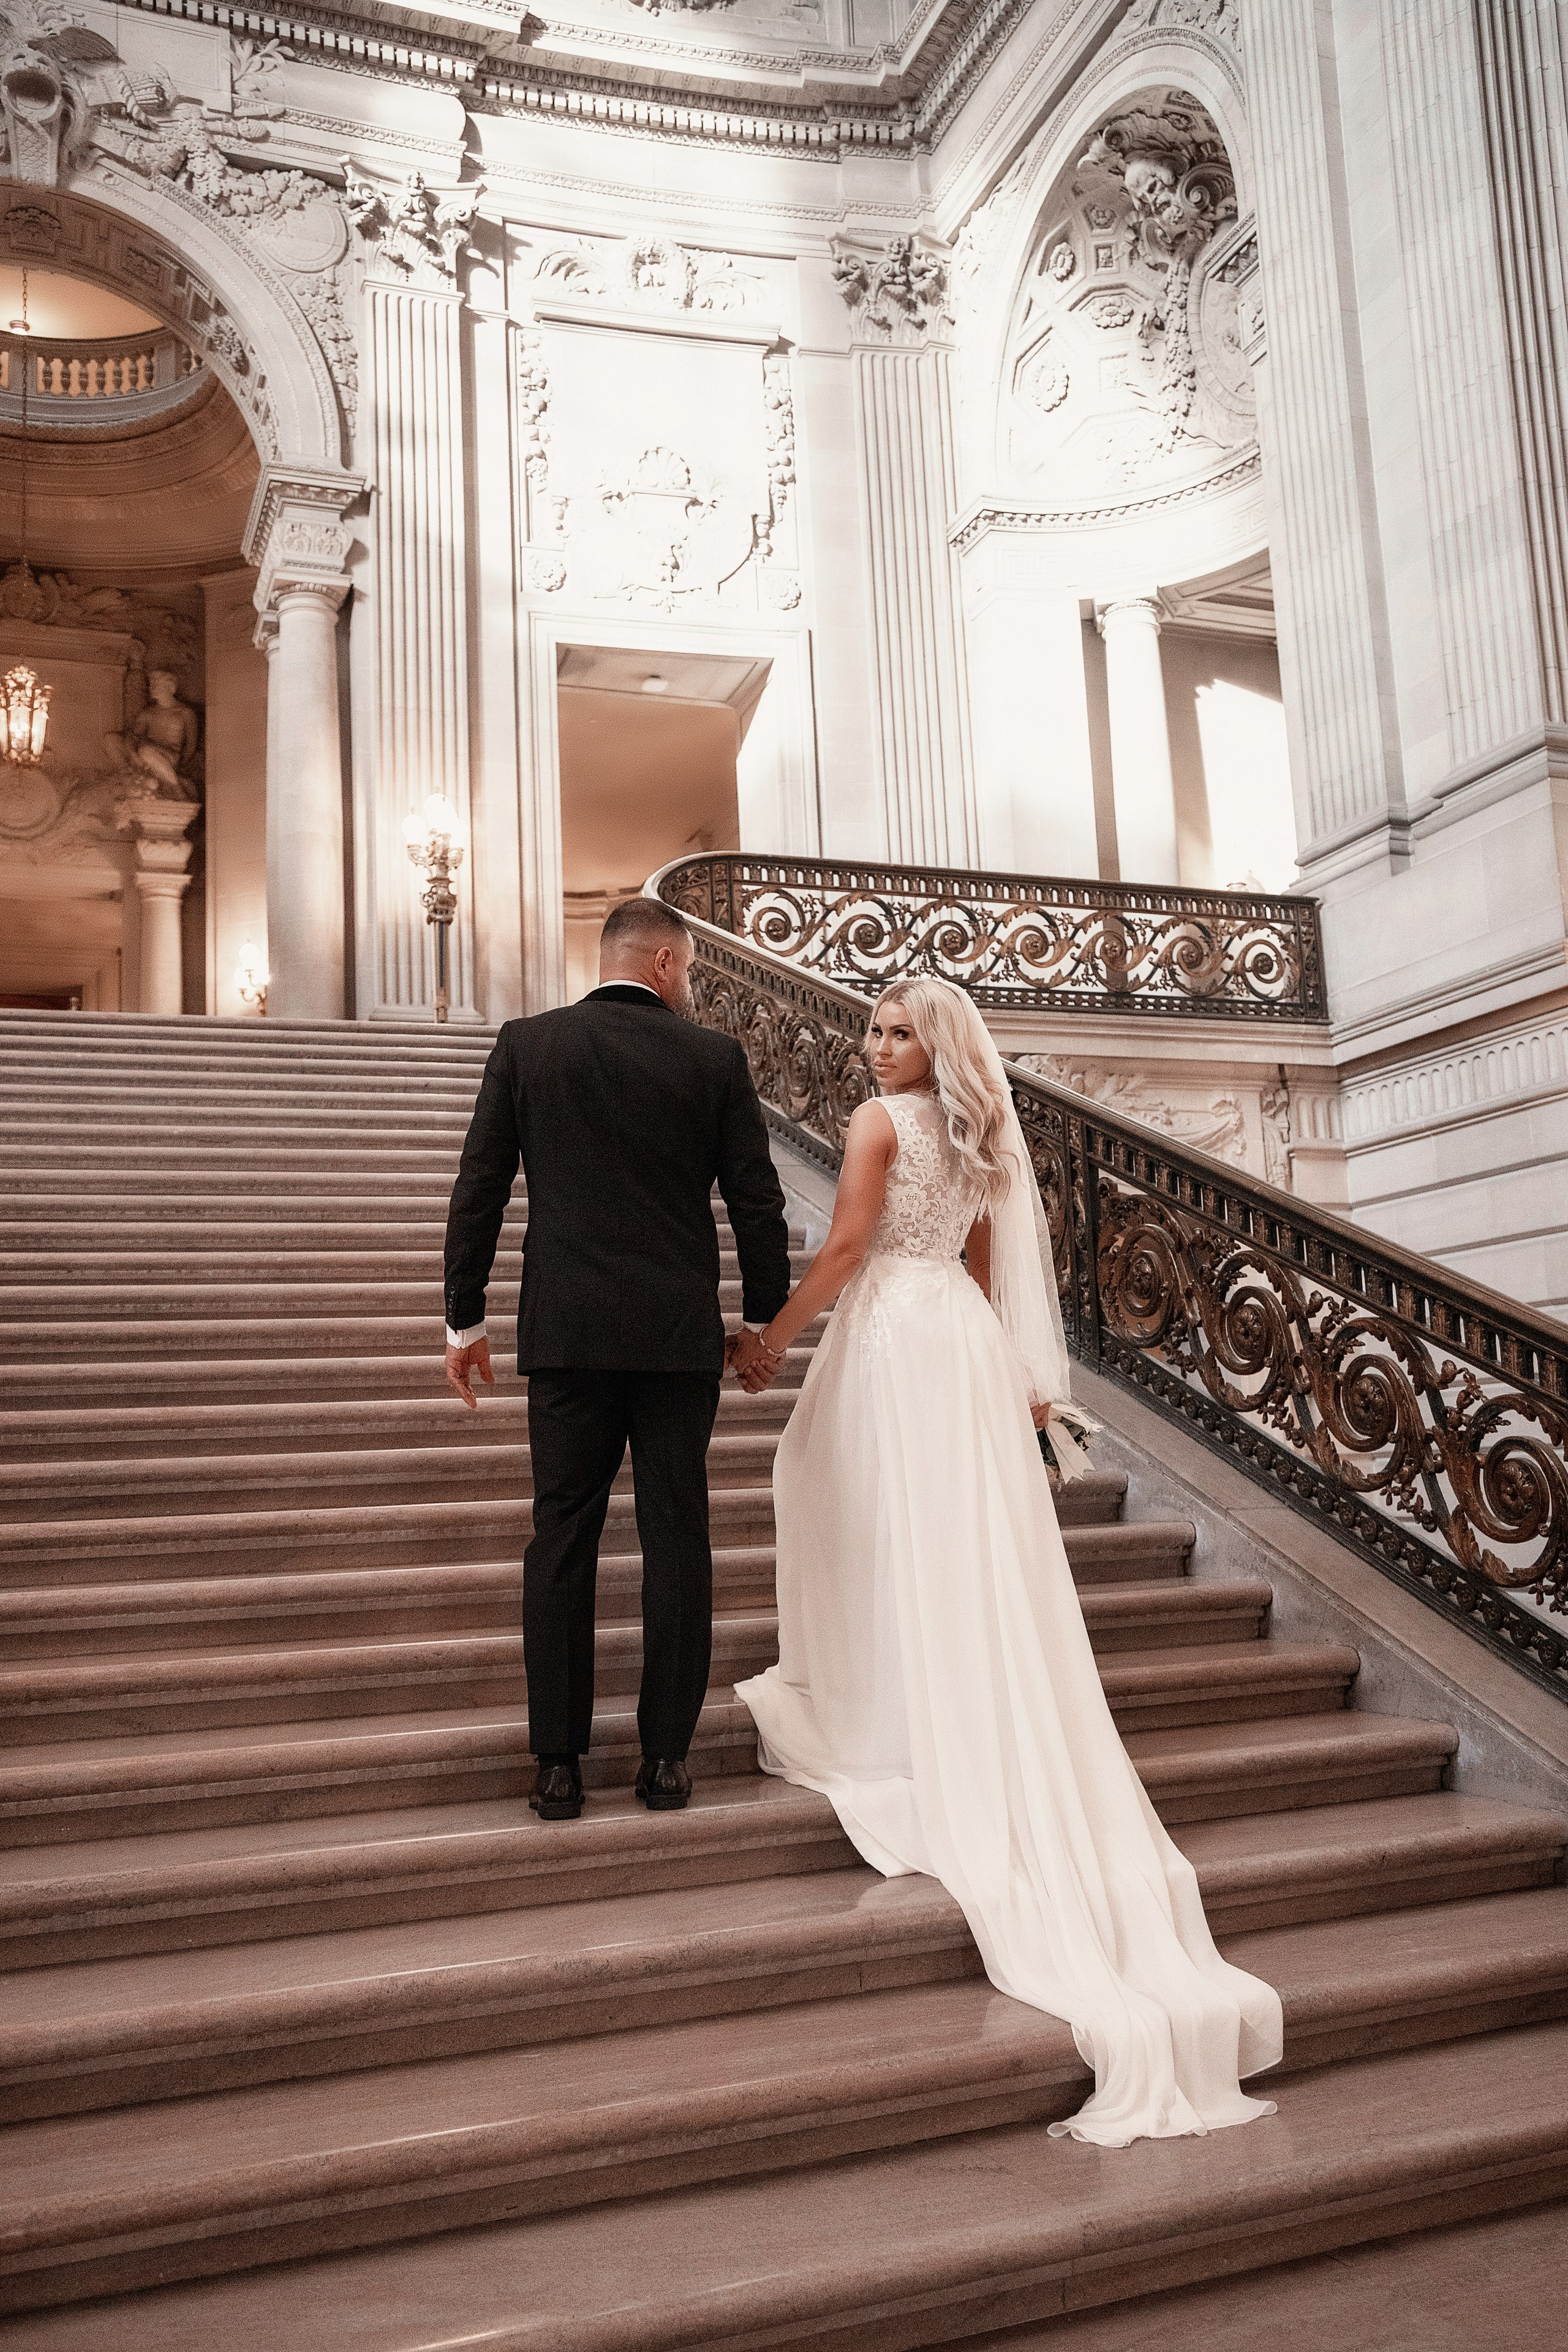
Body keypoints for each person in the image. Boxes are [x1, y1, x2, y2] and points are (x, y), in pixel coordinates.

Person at [734, 974, 1283, 2147]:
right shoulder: (980, 1130)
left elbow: (841, 1249)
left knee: (860, 1505)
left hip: (893, 1331)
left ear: (934, 1049)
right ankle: (935, 1689)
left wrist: (773, 1337)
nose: (877, 1050)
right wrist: (1013, 1383)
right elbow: (987, 1268)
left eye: (897, 1034)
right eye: (874, 1031)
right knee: (943, 1532)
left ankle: (891, 1709)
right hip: (960, 1340)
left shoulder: (879, 1126)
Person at [442, 897, 791, 1822]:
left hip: (566, 1336)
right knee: (678, 1538)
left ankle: (557, 1765)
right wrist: (761, 1321)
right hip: (677, 1341)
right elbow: (757, 1202)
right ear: (669, 962)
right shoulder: (712, 1058)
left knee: (561, 1538)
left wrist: (462, 1320)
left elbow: (478, 1187)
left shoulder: (528, 1045)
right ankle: (665, 1762)